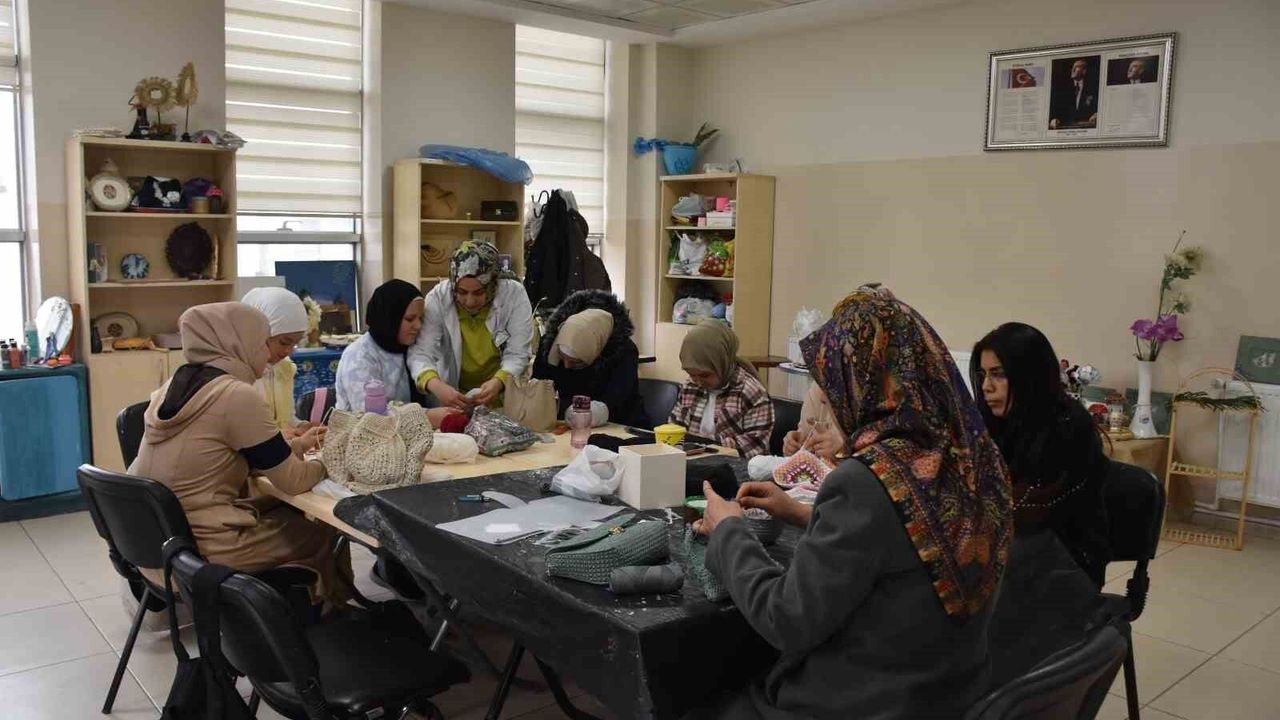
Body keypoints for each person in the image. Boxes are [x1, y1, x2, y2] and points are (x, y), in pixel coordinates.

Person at [689, 286, 1012, 719]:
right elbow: (904, 546)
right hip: (953, 692)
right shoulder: (979, 460)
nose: (827, 399)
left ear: (865, 381)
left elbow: (785, 619)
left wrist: (729, 530)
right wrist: (803, 514)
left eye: (832, 384)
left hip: (865, 703)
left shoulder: (868, 480)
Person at [129, 302, 352, 611]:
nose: (270, 353)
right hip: (204, 551)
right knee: (320, 530)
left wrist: (298, 447)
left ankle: (305, 605)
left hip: (156, 547)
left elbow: (237, 454)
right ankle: (333, 612)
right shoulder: (235, 395)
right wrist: (332, 458)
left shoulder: (176, 386)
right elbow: (294, 481)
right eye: (263, 342)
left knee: (284, 511)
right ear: (239, 343)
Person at [971, 322, 1111, 587]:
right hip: (1017, 557)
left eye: (998, 374)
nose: (987, 386)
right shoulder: (999, 422)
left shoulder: (1068, 427)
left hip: (1063, 566)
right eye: (983, 375)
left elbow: (1026, 510)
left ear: (1029, 376)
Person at [410, 241, 535, 411]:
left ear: (492, 285)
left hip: (500, 395)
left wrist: (499, 381)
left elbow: (518, 353)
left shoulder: (514, 295)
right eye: (461, 292)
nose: (470, 301)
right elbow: (421, 352)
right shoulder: (438, 298)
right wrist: (436, 385)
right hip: (452, 396)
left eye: (478, 292)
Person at [532, 289, 646, 426]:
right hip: (565, 424)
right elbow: (539, 388)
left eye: (576, 362)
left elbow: (616, 400)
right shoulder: (549, 345)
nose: (567, 366)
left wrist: (586, 412)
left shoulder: (624, 352)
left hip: (620, 424)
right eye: (562, 357)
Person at [670, 320, 774, 459]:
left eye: (705, 375)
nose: (697, 381)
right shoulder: (690, 386)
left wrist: (703, 444)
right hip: (691, 463)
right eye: (691, 374)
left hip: (734, 467)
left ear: (722, 364)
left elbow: (755, 447)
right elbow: (675, 427)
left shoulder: (752, 393)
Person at [335, 279, 427, 412]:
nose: (418, 326)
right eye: (410, 319)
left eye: (421, 318)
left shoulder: (412, 349)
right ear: (390, 318)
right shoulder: (359, 355)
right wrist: (427, 415)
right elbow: (371, 415)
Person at [241, 286, 313, 439]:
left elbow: (286, 419)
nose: (288, 351)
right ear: (259, 333)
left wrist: (302, 427)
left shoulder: (284, 368)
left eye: (294, 344)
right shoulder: (238, 374)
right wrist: (276, 436)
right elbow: (237, 432)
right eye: (284, 342)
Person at [1049, 57, 1098, 129]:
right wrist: (1053, 118)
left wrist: (1096, 114)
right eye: (1073, 67)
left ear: (1084, 71)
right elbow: (1055, 107)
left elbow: (1097, 106)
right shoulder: (1062, 87)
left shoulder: (1093, 87)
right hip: (1065, 126)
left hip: (1086, 127)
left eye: (1077, 67)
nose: (1073, 69)